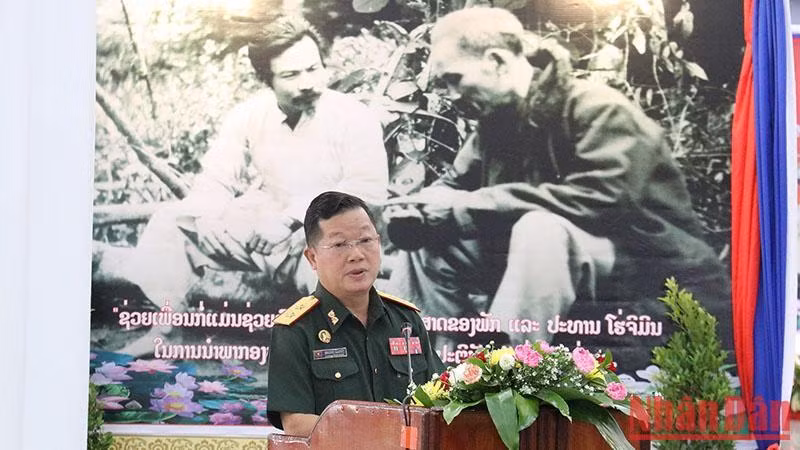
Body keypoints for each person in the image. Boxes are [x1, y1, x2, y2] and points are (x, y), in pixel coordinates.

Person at [383, 7, 731, 370]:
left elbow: (605, 201)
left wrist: (472, 205)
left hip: (644, 269)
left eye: (455, 79)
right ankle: (426, 366)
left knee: (541, 229)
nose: (451, 94)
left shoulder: (598, 110)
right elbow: (455, 186)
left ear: (497, 61)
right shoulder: (494, 123)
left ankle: (507, 373)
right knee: (426, 241)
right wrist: (422, 208)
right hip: (557, 269)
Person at [113, 14, 388, 354]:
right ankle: (168, 330)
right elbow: (216, 178)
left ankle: (336, 355)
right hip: (260, 229)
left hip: (323, 237)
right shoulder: (249, 114)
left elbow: (370, 189)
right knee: (173, 222)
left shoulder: (352, 116)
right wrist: (208, 217)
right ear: (266, 78)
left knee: (334, 272)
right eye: (291, 74)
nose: (307, 82)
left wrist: (292, 217)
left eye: (313, 69)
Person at [266, 191, 444, 436]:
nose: (357, 255)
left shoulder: (406, 320)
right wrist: (381, 435)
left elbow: (439, 397)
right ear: (312, 257)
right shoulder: (295, 330)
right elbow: (296, 423)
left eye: (365, 241)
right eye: (340, 245)